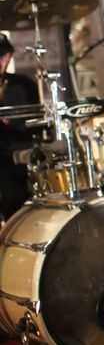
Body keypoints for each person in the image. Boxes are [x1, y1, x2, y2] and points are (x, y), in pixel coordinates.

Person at [0, 33, 39, 221]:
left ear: (9, 57)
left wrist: (13, 122)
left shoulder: (23, 85)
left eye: (3, 56)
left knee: (15, 199)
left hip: (14, 165)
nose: (1, 61)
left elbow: (36, 126)